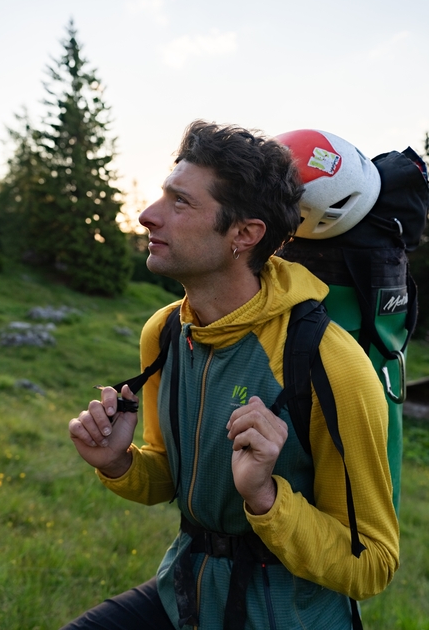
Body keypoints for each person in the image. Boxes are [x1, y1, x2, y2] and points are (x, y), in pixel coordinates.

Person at [65, 120, 399, 630]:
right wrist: (119, 464)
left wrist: (264, 497)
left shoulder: (332, 364)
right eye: (163, 195)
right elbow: (169, 478)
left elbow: (373, 563)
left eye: (180, 203)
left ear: (244, 234)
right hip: (187, 595)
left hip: (290, 615)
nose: (147, 216)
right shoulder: (167, 333)